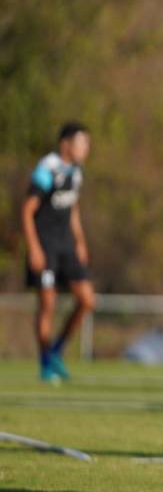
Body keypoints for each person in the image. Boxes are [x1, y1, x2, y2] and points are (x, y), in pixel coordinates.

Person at [22, 122, 96, 384]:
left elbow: (72, 208)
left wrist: (80, 241)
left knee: (87, 299)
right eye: (81, 143)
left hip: (66, 245)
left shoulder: (77, 171)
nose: (85, 149)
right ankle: (45, 361)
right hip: (45, 245)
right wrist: (33, 248)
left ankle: (56, 351)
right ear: (66, 144)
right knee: (48, 304)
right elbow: (28, 210)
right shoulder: (47, 169)